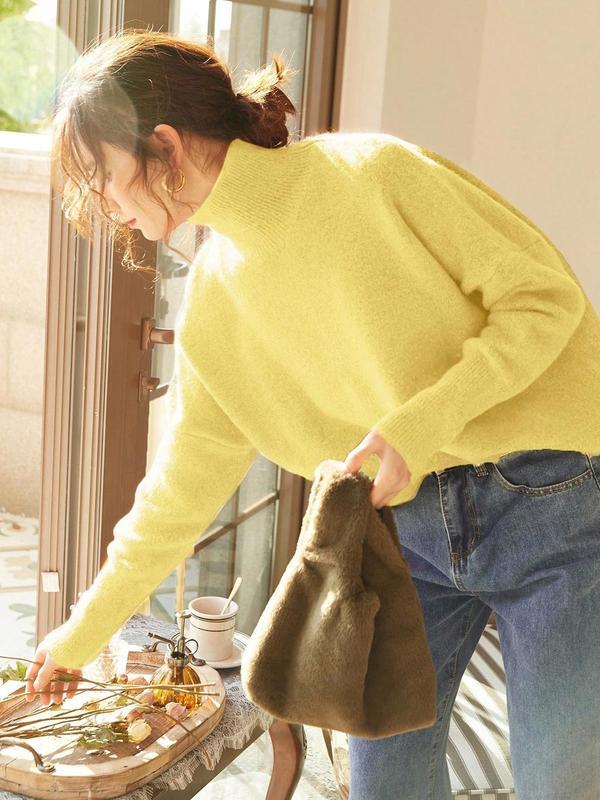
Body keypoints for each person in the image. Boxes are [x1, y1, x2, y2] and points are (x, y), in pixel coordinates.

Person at [25, 28, 600, 799]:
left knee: (562, 784)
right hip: (405, 534)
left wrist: (420, 425)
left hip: (550, 493)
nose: (104, 204)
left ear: (164, 145)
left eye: (103, 177)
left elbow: (546, 299)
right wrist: (80, 634)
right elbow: (176, 497)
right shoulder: (214, 308)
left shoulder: (372, 173)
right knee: (383, 788)